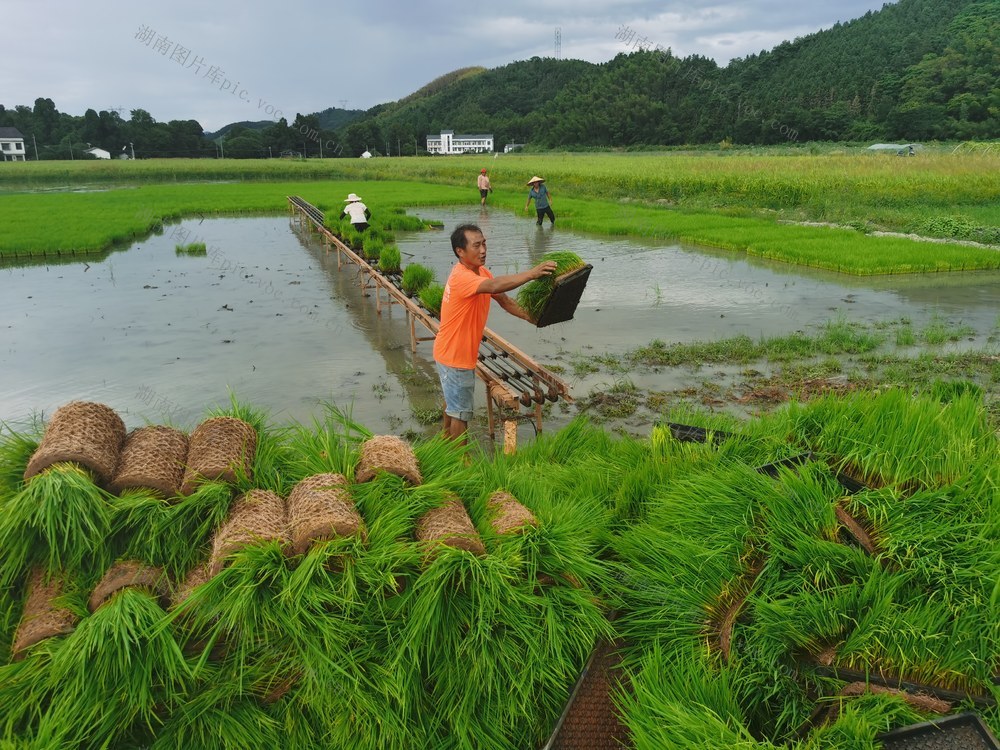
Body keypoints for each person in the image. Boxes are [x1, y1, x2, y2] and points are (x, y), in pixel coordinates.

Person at [433, 224, 557, 441]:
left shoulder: (480, 272)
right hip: (455, 357)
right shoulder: (462, 277)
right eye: (476, 245)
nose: (483, 250)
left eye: (484, 244)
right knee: (461, 414)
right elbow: (493, 286)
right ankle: (459, 464)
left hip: (450, 352)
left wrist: (533, 318)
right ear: (460, 252)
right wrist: (531, 274)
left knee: (453, 406)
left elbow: (505, 300)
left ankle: (444, 449)